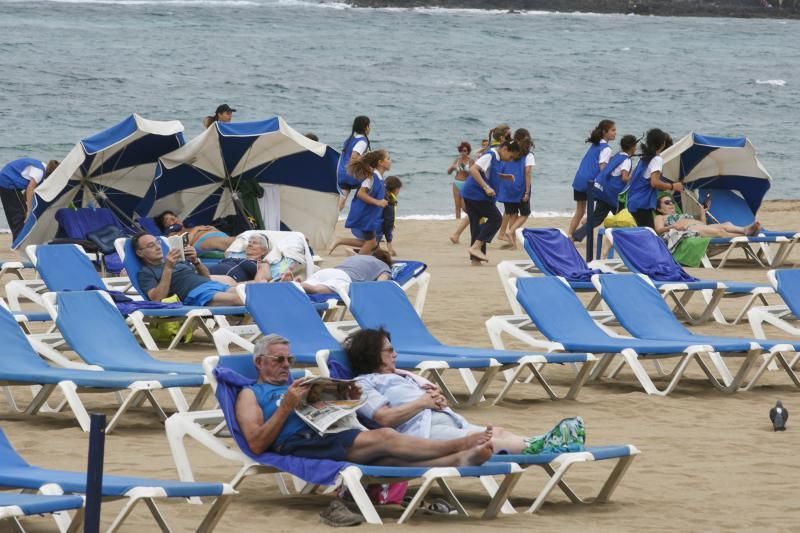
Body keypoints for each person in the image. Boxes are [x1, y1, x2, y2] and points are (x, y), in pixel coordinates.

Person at [235, 334, 494, 466]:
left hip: (332, 433)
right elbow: (256, 444)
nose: (285, 365)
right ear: (259, 362)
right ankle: (459, 445)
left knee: (385, 459)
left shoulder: (299, 384)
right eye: (278, 360)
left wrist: (345, 399)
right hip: (302, 443)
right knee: (386, 438)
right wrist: (286, 408)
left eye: (289, 360)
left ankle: (457, 461)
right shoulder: (251, 394)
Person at [345, 328, 586, 455]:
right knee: (486, 442)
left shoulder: (400, 375)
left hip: (447, 420)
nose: (395, 354)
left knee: (497, 430)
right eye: (389, 350)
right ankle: (543, 445)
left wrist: (434, 398)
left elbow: (427, 399)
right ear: (371, 355)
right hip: (422, 432)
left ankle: (544, 443)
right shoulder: (363, 383)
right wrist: (423, 403)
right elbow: (383, 418)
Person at [133, 232, 243, 306]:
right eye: (151, 245)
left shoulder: (177, 261)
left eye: (158, 242)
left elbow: (206, 277)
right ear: (140, 252)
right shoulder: (146, 272)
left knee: (248, 293)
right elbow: (157, 299)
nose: (157, 247)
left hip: (212, 285)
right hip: (197, 294)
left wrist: (196, 261)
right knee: (239, 299)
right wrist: (168, 268)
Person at [459, 140, 522, 264]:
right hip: (475, 194)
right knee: (496, 218)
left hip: (472, 194)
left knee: (477, 225)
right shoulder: (490, 155)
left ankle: (476, 259)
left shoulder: (497, 158)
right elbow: (473, 170)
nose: (510, 160)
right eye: (510, 156)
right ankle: (476, 248)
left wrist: (503, 176)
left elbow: (487, 172)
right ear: (504, 149)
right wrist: (486, 187)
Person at [572, 134, 638, 242]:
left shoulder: (617, 155)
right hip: (612, 196)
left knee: (597, 218)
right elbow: (624, 178)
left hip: (604, 191)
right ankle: (628, 240)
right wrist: (634, 178)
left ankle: (577, 234)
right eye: (635, 146)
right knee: (624, 217)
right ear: (632, 147)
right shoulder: (627, 160)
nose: (636, 148)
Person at [329, 150, 390, 256]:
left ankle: (341, 241)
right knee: (371, 242)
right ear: (380, 162)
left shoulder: (378, 178)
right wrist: (378, 202)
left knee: (371, 243)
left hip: (368, 216)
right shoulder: (371, 178)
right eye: (388, 159)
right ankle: (357, 260)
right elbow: (360, 194)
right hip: (363, 215)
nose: (390, 161)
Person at [568, 120, 616, 240]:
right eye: (613, 130)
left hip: (579, 179)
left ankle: (570, 235)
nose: (615, 133)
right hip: (590, 182)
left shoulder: (596, 143)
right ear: (605, 132)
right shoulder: (606, 148)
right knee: (603, 203)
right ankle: (587, 221)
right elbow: (602, 168)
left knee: (579, 211)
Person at [627, 129, 684, 229]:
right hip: (642, 204)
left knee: (644, 233)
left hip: (633, 202)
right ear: (663, 143)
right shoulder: (656, 159)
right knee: (649, 234)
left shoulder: (644, 158)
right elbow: (654, 182)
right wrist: (673, 186)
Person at [0, 158, 58, 240]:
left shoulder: (43, 169)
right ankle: (19, 242)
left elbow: (28, 191)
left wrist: (24, 204)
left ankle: (19, 240)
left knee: (19, 211)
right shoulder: (40, 172)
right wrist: (30, 211)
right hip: (7, 181)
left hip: (7, 181)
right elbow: (30, 189)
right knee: (18, 215)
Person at [496, 129, 535, 249]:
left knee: (512, 213)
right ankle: (511, 231)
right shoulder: (528, 155)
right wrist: (527, 191)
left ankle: (513, 243)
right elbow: (527, 172)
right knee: (525, 213)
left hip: (507, 185)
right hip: (520, 186)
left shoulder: (510, 150)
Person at [654, 195, 761, 237]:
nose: (671, 204)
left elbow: (703, 224)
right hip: (688, 230)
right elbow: (658, 230)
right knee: (720, 232)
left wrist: (702, 213)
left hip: (699, 227)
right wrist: (672, 226)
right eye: (667, 202)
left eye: (672, 201)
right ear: (659, 209)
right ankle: (745, 236)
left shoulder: (681, 214)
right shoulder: (660, 217)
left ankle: (745, 230)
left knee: (726, 224)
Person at [300, 249, 392, 295]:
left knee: (302, 287)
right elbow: (381, 284)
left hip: (328, 271)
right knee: (317, 290)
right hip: (343, 277)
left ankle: (296, 284)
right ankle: (303, 285)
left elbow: (349, 250)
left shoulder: (359, 257)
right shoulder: (384, 266)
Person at [207, 234, 291, 284]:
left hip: (226, 281)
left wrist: (238, 285)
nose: (250, 244)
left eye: (255, 243)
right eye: (249, 242)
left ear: (264, 251)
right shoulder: (235, 257)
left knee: (200, 278)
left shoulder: (262, 264)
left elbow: (262, 281)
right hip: (207, 273)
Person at [155, 211, 236, 254]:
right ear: (165, 227)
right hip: (202, 242)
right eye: (167, 219)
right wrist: (195, 230)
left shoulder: (190, 227)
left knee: (235, 239)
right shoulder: (172, 234)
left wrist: (215, 229)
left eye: (174, 216)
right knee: (230, 242)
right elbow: (182, 246)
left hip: (221, 236)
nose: (173, 218)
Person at [336, 116, 371, 211]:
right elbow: (354, 157)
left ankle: (331, 220)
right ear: (366, 127)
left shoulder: (349, 139)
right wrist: (366, 156)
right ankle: (363, 210)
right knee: (372, 179)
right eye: (369, 126)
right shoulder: (362, 141)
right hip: (352, 175)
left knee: (341, 202)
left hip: (341, 174)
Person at [447, 142, 473, 245]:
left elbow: (472, 173)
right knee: (457, 207)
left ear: (468, 151)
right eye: (461, 150)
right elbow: (449, 172)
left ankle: (473, 218)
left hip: (466, 184)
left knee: (464, 207)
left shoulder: (471, 161)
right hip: (457, 183)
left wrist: (466, 169)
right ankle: (457, 224)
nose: (463, 152)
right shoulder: (457, 160)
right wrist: (452, 167)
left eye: (465, 151)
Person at [378, 176, 402, 256]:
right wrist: (389, 243)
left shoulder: (383, 195)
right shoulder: (390, 201)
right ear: (396, 189)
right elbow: (388, 221)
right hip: (378, 227)